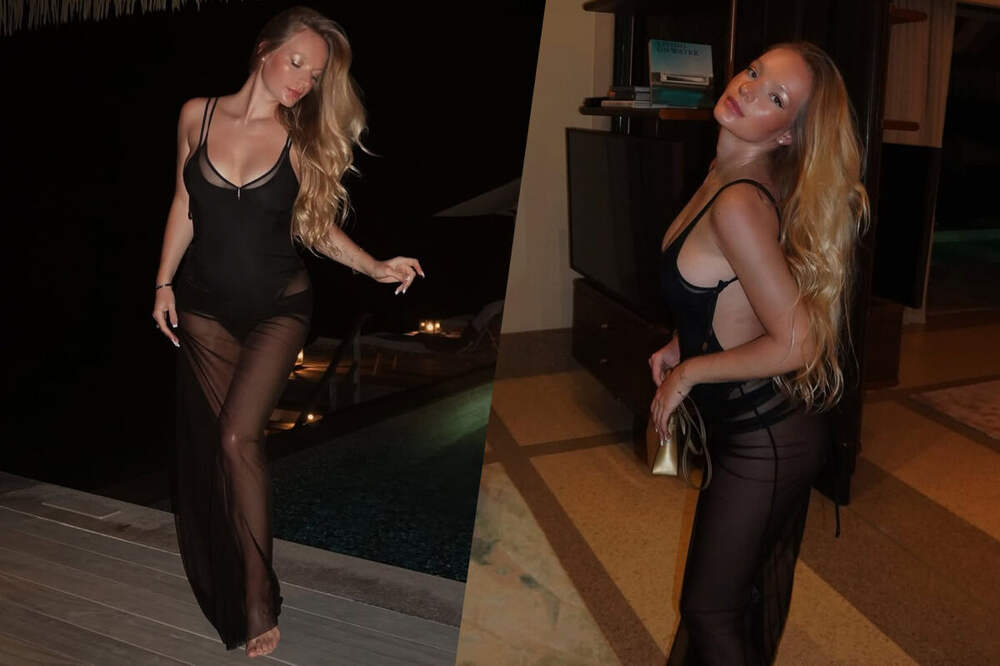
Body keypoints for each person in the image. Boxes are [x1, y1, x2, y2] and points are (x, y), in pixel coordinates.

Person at [151, 7, 423, 657]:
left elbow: (318, 228)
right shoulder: (196, 116)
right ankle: (233, 571)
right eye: (296, 62)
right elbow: (185, 201)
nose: (303, 80)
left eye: (315, 74)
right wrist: (162, 282)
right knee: (217, 453)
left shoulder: (299, 138)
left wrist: (374, 266)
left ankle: (257, 597)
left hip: (279, 307)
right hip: (203, 310)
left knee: (238, 438)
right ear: (264, 51)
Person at [648, 42, 869, 665]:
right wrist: (684, 340)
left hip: (766, 440)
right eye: (754, 72)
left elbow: (802, 341)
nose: (747, 87)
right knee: (731, 600)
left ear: (786, 134)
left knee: (710, 612)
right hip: (747, 428)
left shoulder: (738, 201)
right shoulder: (723, 174)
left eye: (775, 96)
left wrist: (690, 373)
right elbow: (733, 290)